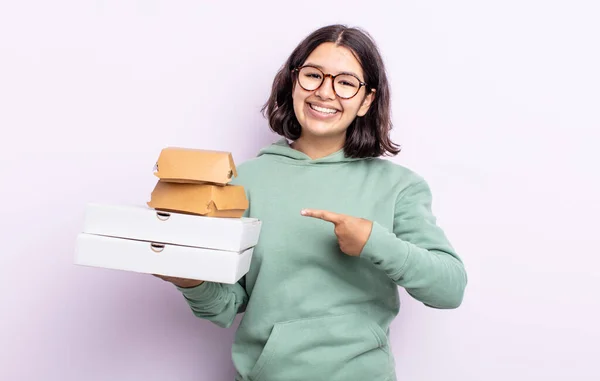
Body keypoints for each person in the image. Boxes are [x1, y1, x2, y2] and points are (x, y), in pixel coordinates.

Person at [156, 24, 468, 381]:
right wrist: (188, 280)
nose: (325, 92)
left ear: (366, 100)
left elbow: (450, 289)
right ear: (292, 82)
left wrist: (374, 242)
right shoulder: (245, 180)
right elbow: (226, 306)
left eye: (346, 82)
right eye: (313, 75)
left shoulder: (399, 186)